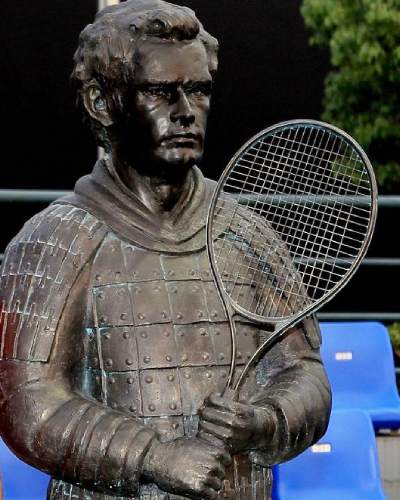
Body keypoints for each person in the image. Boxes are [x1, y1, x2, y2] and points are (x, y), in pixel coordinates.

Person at [0, 2, 330, 499]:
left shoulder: (248, 233)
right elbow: (28, 406)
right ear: (101, 101)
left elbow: (305, 375)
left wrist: (264, 421)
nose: (184, 110)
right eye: (159, 92)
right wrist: (154, 456)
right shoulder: (50, 242)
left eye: (198, 90)